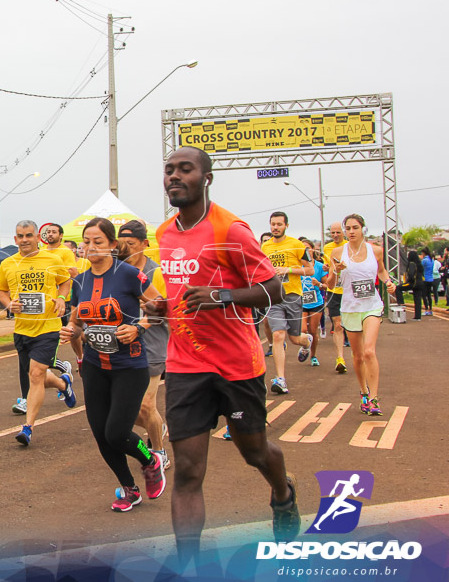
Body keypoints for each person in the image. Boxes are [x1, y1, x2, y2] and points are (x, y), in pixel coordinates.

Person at [147, 146, 298, 561]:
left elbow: (273, 289)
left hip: (235, 364)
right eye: (169, 171)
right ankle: (187, 566)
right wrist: (164, 306)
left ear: (206, 177)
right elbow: (179, 293)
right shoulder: (164, 234)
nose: (174, 177)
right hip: (185, 364)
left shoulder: (231, 230)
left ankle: (283, 493)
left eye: (185, 170)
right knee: (189, 472)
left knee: (254, 453)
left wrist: (221, 295)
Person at [62, 217, 165, 511]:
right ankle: (129, 488)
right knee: (100, 434)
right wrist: (71, 331)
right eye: (86, 241)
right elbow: (77, 321)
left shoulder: (129, 275)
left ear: (112, 245)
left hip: (129, 366)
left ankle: (150, 459)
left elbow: (160, 309)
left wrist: (139, 328)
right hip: (95, 366)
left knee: (117, 432)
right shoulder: (80, 282)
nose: (90, 247)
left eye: (98, 241)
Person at [0, 220, 74, 439]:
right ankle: (62, 383)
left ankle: (27, 427)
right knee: (35, 374)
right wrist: (8, 303)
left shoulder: (52, 259)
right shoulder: (8, 264)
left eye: (29, 235)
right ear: (15, 239)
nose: (24, 240)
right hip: (22, 329)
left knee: (37, 373)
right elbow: (1, 289)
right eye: (20, 236)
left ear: (38, 237)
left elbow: (65, 282)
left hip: (48, 327)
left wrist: (60, 298)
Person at [326, 215, 397, 416]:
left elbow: (382, 272)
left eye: (355, 227)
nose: (351, 231)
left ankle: (374, 399)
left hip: (371, 306)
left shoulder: (376, 250)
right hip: (350, 308)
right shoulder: (338, 252)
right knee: (357, 357)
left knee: (369, 352)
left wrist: (388, 283)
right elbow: (331, 284)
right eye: (347, 228)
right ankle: (364, 393)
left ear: (363, 229)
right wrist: (336, 271)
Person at [117, 220, 171, 470]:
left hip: (153, 343)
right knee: (128, 411)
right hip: (122, 346)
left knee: (146, 404)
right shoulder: (115, 272)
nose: (125, 248)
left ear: (144, 244)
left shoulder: (156, 272)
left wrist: (142, 317)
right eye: (122, 244)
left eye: (131, 244)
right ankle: (157, 426)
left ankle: (159, 451)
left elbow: (165, 310)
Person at [261, 211, 314, 394]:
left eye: (279, 224)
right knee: (278, 336)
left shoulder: (296, 245)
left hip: (292, 295)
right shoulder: (265, 247)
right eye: (273, 224)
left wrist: (287, 269)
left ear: (286, 226)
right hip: (274, 296)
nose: (275, 227)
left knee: (294, 338)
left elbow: (310, 270)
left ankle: (307, 342)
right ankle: (281, 379)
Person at [322, 222, 349, 374]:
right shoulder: (327, 248)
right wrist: (327, 268)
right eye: (333, 233)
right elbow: (328, 266)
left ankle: (359, 355)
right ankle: (340, 358)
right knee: (337, 324)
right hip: (334, 290)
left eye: (338, 232)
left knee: (353, 327)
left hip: (349, 290)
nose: (335, 235)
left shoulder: (349, 246)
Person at [41, 222, 79, 326]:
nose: (50, 234)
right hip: (44, 297)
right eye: (48, 232)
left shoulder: (66, 252)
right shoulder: (41, 251)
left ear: (61, 235)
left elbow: (72, 271)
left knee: (63, 327)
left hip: (62, 297)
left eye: (54, 232)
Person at [298, 240, 327, 368]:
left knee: (313, 330)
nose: (305, 251)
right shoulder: (297, 266)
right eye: (302, 249)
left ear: (312, 250)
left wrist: (319, 284)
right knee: (303, 330)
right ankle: (305, 347)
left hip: (316, 302)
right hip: (302, 302)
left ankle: (313, 356)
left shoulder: (319, 266)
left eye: (307, 248)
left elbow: (327, 286)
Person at [399, 251, 424, 321]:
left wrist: (409, 280)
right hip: (420, 283)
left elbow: (411, 274)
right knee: (418, 300)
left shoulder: (412, 263)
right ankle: (418, 316)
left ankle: (401, 303)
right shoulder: (419, 264)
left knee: (398, 288)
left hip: (413, 283)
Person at [420, 247, 435, 316]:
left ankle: (426, 309)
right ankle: (430, 309)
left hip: (425, 279)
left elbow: (420, 268)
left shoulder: (424, 260)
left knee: (424, 295)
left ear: (423, 253)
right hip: (431, 279)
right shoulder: (431, 260)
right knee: (429, 295)